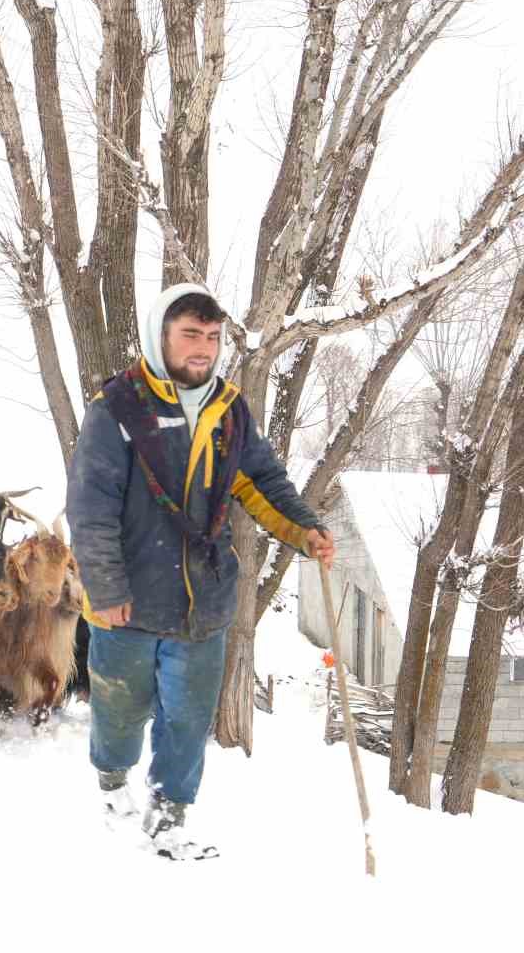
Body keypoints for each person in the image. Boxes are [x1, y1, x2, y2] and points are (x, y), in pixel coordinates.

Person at [66, 283, 335, 860]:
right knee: (120, 709)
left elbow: (262, 481)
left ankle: (168, 816)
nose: (203, 350)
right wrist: (106, 588)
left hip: (203, 598)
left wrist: (304, 530)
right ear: (159, 337)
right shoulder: (116, 410)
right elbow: (90, 509)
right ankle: (113, 783)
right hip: (127, 601)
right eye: (191, 335)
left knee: (187, 718)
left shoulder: (229, 411)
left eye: (212, 338)